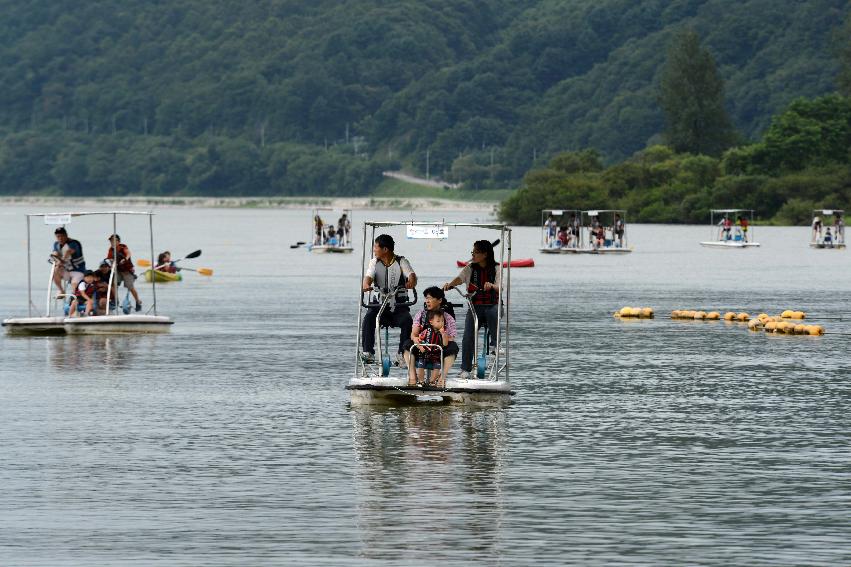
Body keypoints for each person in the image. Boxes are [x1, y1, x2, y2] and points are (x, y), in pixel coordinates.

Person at [443, 239, 500, 380]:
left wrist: (492, 286)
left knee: (493, 312)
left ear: (485, 254)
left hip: (492, 305)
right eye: (472, 252)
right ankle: (465, 369)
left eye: (475, 252)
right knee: (468, 336)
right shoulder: (470, 268)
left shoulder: (497, 268)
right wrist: (450, 284)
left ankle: (495, 345)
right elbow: (460, 278)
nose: (472, 255)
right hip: (475, 307)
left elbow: (501, 286)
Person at [361, 234, 418, 366]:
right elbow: (368, 276)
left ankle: (403, 354)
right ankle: (368, 352)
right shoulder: (374, 262)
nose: (374, 250)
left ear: (385, 249)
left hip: (398, 306)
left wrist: (411, 282)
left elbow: (411, 275)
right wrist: (366, 285)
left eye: (376, 247)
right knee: (369, 318)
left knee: (407, 321)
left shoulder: (401, 262)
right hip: (379, 306)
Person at [404, 286, 458, 385]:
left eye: (430, 298)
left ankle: (442, 378)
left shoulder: (448, 318)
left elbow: (451, 338)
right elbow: (414, 335)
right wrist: (419, 343)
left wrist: (440, 337)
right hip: (422, 347)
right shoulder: (421, 315)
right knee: (407, 345)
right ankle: (412, 377)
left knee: (453, 348)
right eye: (426, 299)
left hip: (440, 348)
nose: (427, 301)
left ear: (439, 300)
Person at [412, 310, 448, 387]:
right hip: (425, 353)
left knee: (437, 366)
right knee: (420, 365)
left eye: (442, 321)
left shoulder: (442, 333)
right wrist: (420, 347)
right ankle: (421, 381)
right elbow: (419, 339)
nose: (441, 323)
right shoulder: (426, 331)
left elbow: (445, 344)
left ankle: (432, 381)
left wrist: (443, 334)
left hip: (436, 355)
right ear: (431, 322)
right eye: (438, 321)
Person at [106, 234, 142, 312]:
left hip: (127, 271)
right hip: (118, 271)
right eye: (111, 241)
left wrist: (125, 259)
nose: (112, 242)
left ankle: (138, 301)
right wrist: (111, 264)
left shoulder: (123, 247)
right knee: (113, 284)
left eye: (114, 241)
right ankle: (116, 300)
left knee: (130, 287)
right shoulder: (110, 250)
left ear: (118, 241)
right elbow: (109, 259)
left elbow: (128, 254)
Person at [51, 227, 86, 294]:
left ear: (66, 235)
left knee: (74, 285)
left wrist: (61, 261)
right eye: (58, 236)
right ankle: (61, 290)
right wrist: (54, 257)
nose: (60, 238)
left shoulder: (74, 243)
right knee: (55, 271)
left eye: (62, 236)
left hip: (78, 270)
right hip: (66, 271)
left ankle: (74, 298)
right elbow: (55, 253)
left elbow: (68, 252)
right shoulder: (56, 244)